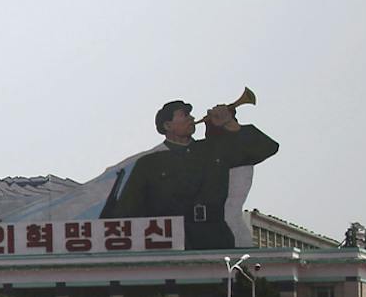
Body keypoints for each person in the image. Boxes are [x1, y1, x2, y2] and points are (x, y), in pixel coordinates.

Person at [101, 100, 280, 250]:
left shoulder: (213, 149)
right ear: (167, 125)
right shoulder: (149, 163)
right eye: (184, 115)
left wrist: (229, 124)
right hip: (168, 240)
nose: (192, 119)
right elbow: (126, 212)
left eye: (190, 115)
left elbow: (266, 147)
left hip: (214, 236)